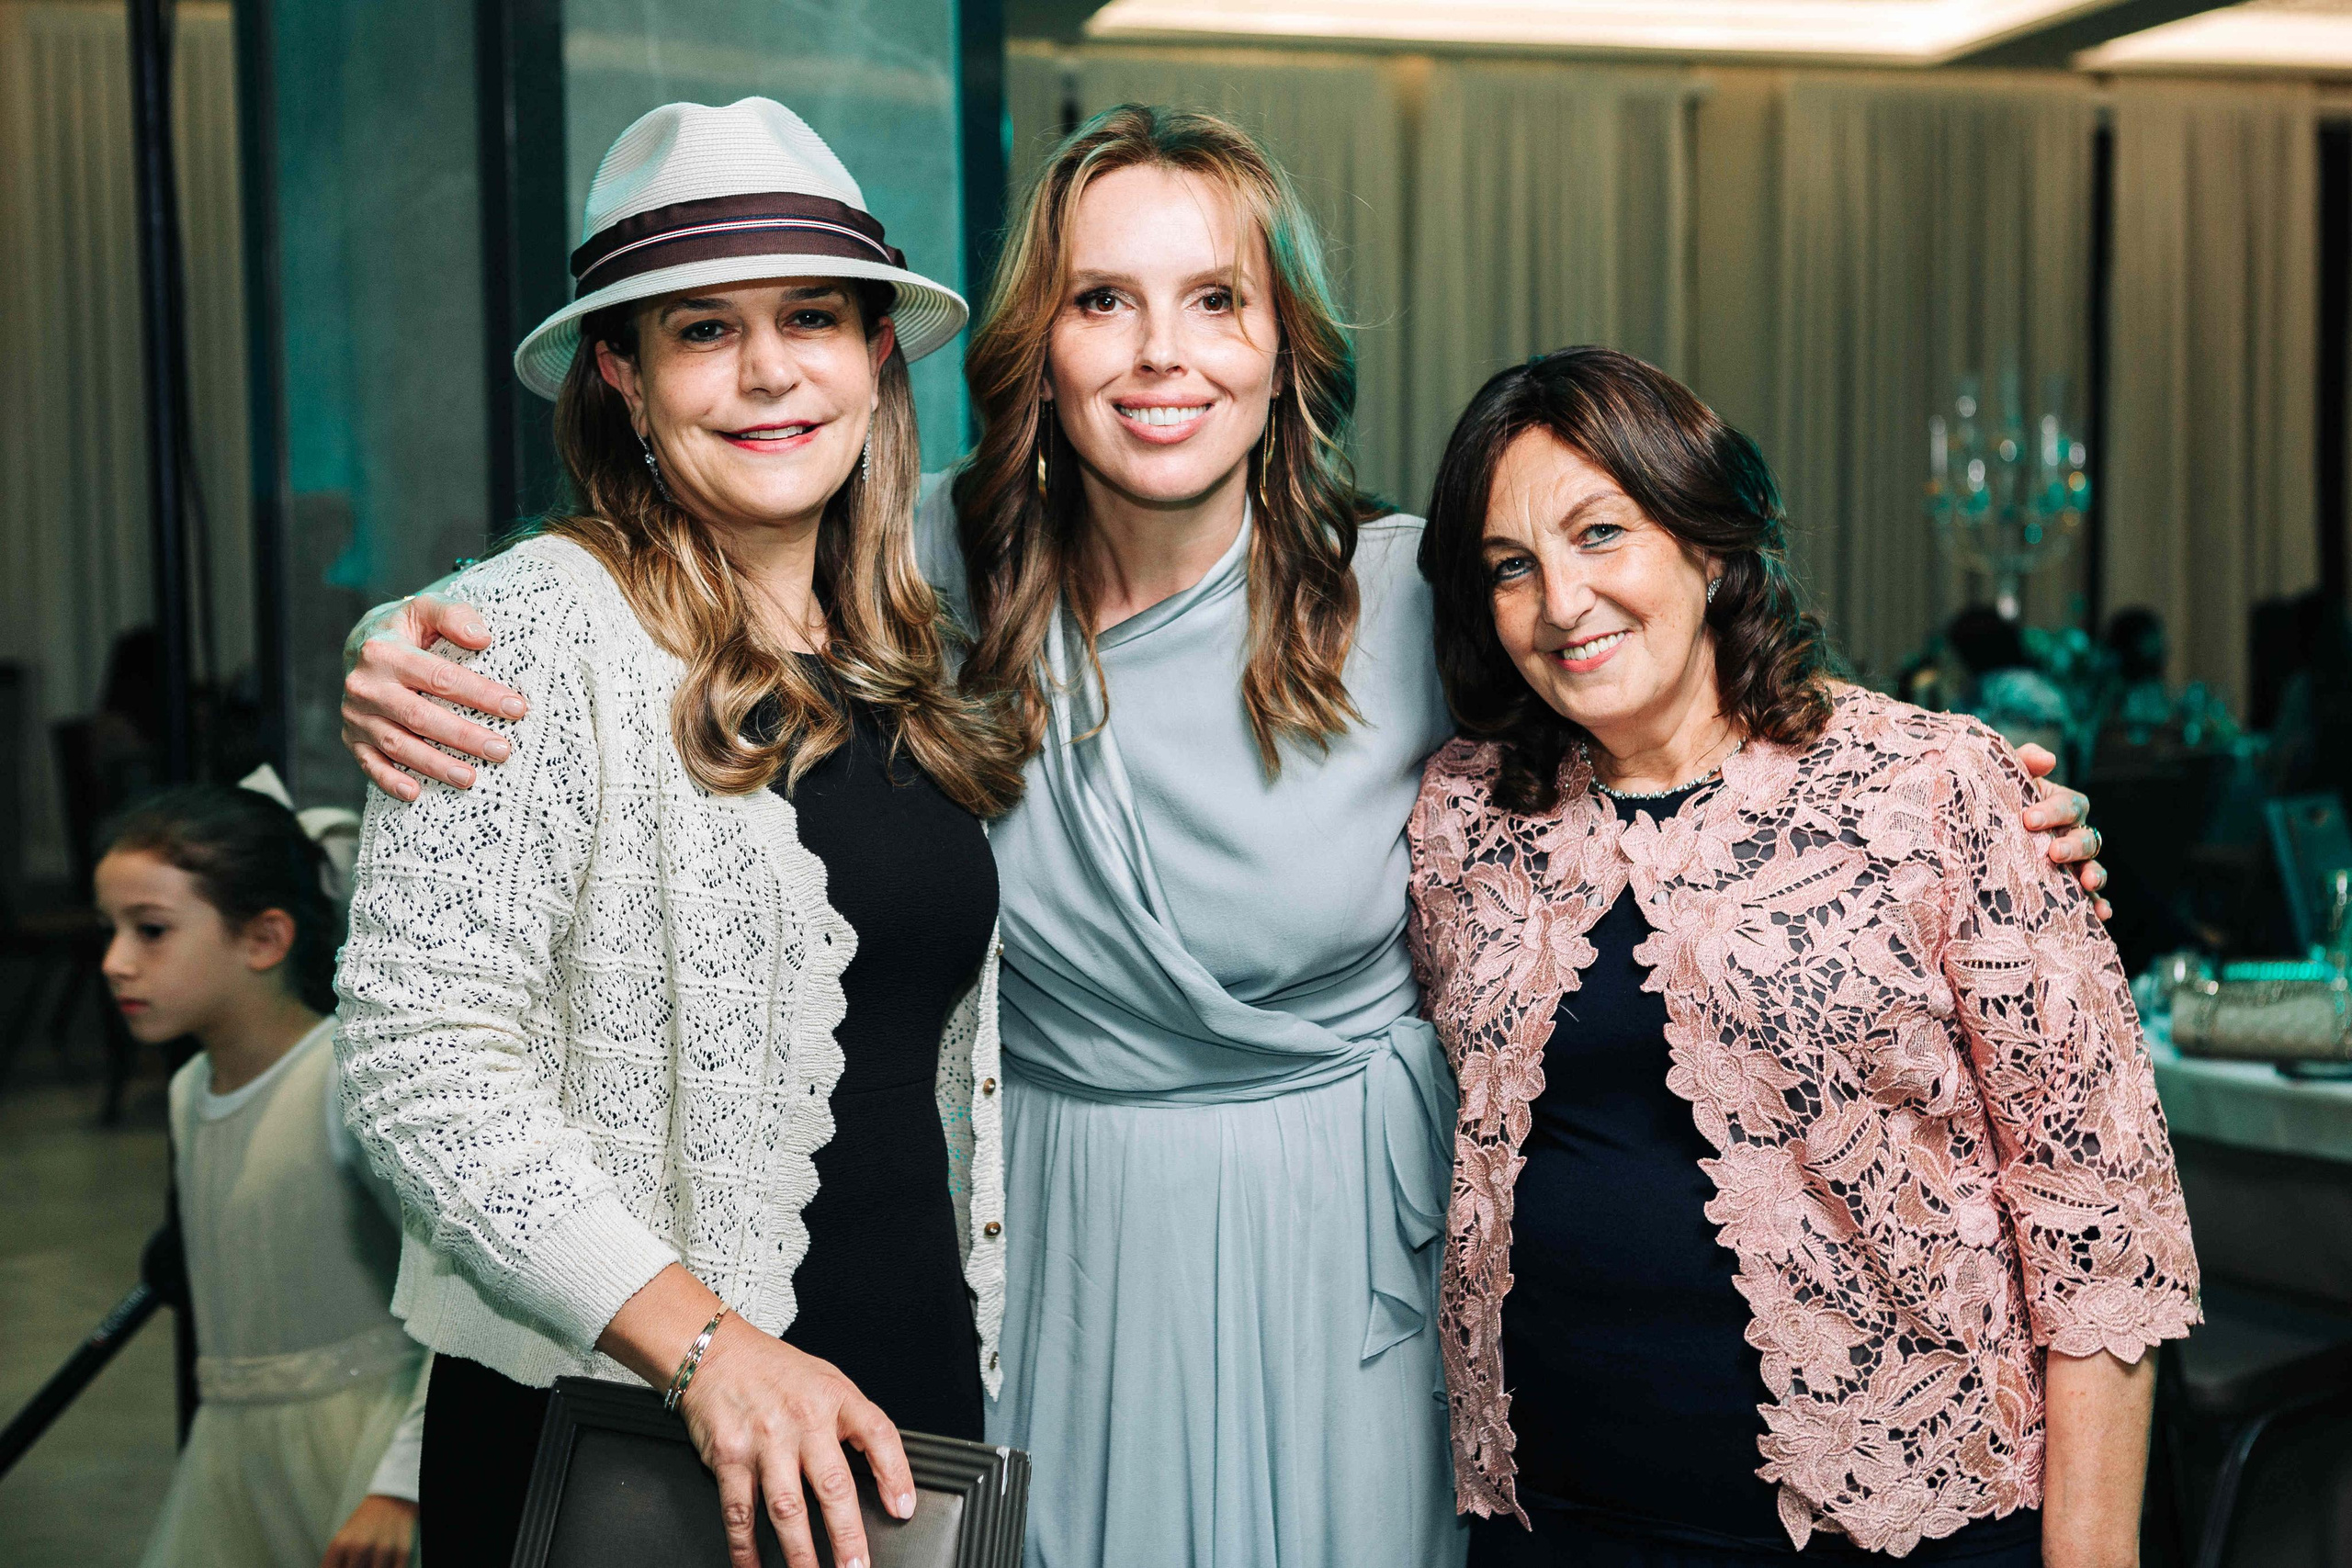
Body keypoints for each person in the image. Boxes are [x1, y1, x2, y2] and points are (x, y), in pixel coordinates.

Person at [332, 109, 2109, 1568]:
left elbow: (1691, 704)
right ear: (1039, 345)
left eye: (1215, 301)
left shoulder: (1419, 591)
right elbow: (580, 747)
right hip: (1048, 1254)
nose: (1162, 354)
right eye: (1106, 300)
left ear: (1285, 349)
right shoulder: (922, 580)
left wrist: (1979, 813)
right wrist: (398, 644)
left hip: (1353, 1264)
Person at [330, 98, 1026, 1568]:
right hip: (628, 1434)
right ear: (623, 378)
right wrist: (712, 1351)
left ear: (876, 354)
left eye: (814, 318)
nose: (771, 370)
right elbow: (416, 1065)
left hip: (892, 1399)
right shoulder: (527, 631)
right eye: (703, 328)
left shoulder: (911, 638)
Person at [1408, 347, 2199, 1567]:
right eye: (1512, 567)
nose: (1562, 602)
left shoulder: (1940, 786)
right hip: (1555, 1525)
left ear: (1708, 541)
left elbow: (2101, 1216)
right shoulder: (1462, 816)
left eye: (1601, 532)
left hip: (1902, 1529)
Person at [97, 784, 426, 1568]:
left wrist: (402, 1485)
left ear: (265, 937)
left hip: (358, 1457)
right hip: (234, 1457)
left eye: (150, 931)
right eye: (109, 930)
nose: (114, 962)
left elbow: (456, 1307)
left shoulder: (346, 1081)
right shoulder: (187, 1091)